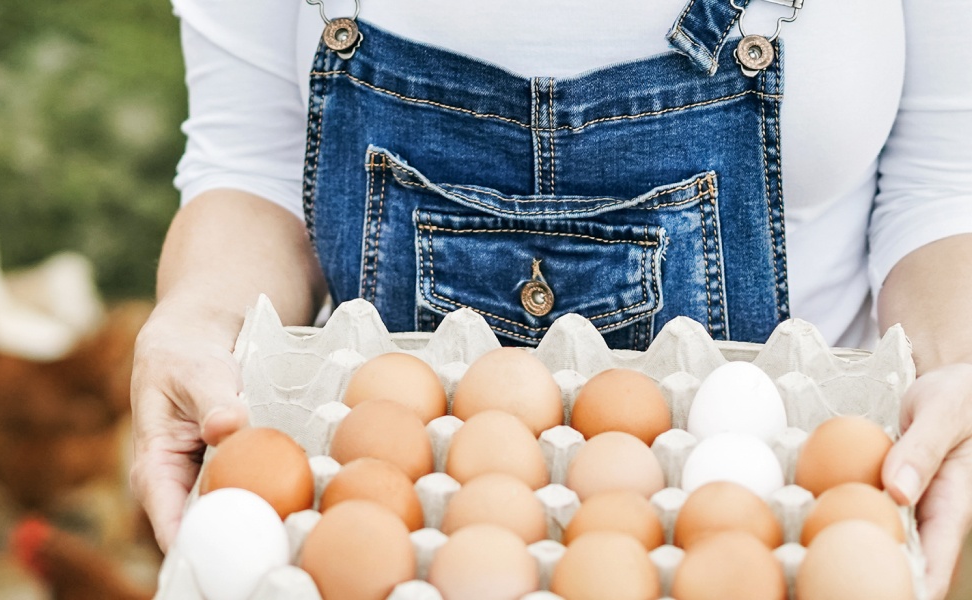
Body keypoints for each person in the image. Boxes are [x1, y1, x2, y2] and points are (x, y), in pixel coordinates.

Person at [129, 0, 972, 596]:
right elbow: (254, 165)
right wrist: (200, 319)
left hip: (787, 510)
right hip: (379, 503)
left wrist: (959, 360)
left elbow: (943, 189)